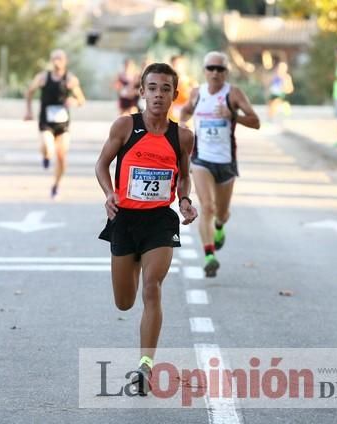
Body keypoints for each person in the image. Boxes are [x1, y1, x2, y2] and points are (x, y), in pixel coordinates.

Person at [96, 63, 198, 394]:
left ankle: (145, 366)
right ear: (142, 92)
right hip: (125, 220)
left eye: (164, 89)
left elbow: (184, 174)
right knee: (124, 303)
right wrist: (110, 193)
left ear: (174, 94)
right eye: (152, 88)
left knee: (152, 286)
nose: (157, 94)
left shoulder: (182, 136)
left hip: (159, 220)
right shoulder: (125, 126)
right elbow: (101, 164)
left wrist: (184, 200)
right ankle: (133, 262)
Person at [179, 51, 260, 278]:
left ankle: (220, 227)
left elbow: (256, 122)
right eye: (211, 68)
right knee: (207, 207)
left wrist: (232, 115)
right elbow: (184, 111)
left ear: (226, 72)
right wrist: (181, 124)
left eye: (220, 69)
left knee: (221, 213)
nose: (215, 73)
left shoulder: (233, 94)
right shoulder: (197, 94)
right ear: (204, 71)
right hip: (201, 159)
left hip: (225, 163)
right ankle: (209, 256)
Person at [24, 49, 86, 198]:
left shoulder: (70, 79)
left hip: (63, 124)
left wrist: (74, 101)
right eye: (54, 58)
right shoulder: (43, 77)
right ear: (51, 61)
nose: (57, 61)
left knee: (62, 158)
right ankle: (46, 156)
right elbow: (29, 92)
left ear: (65, 61)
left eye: (60, 58)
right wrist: (28, 111)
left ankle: (56, 186)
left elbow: (81, 100)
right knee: (48, 146)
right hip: (46, 121)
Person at [169, 54, 195, 123]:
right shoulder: (167, 82)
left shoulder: (191, 83)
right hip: (171, 120)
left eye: (178, 64)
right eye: (174, 65)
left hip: (186, 121)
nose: (176, 67)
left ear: (183, 66)